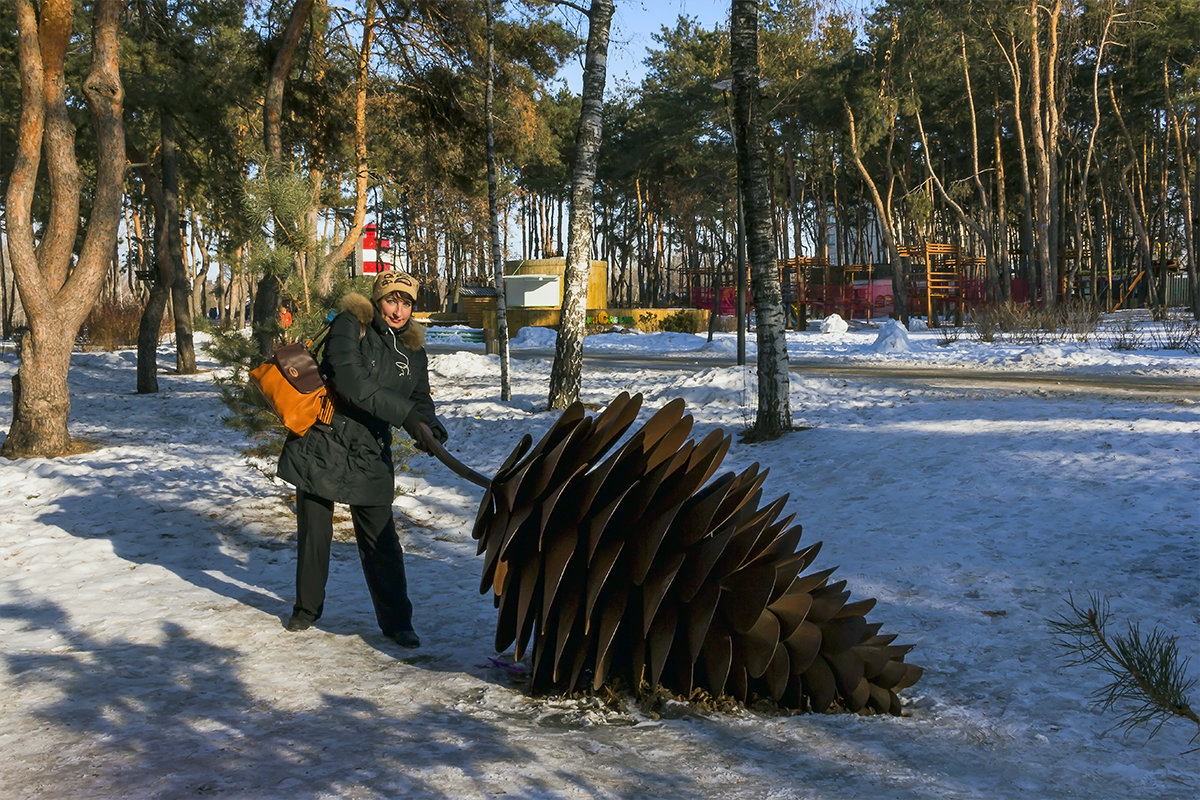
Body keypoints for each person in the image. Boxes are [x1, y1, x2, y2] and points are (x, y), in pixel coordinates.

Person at [276, 270, 448, 648]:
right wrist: (406, 416)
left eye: (406, 303)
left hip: (370, 449)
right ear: (377, 300)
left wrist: (430, 428)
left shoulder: (413, 351)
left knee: (381, 540)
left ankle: (398, 622)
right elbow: (352, 383)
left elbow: (419, 399)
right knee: (315, 533)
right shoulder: (349, 325)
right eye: (391, 300)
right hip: (323, 439)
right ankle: (306, 610)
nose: (398, 310)